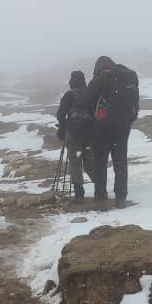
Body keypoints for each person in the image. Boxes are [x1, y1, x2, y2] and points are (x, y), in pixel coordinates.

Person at [87, 56, 139, 209]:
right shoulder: (128, 76)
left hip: (103, 127)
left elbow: (87, 100)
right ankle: (121, 198)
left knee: (100, 162)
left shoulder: (99, 78)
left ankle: (101, 199)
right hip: (123, 126)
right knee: (120, 162)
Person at [55, 71, 96, 204]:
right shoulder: (91, 94)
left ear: (72, 81)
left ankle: (79, 194)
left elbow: (60, 114)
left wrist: (62, 128)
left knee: (75, 163)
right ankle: (100, 189)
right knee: (90, 162)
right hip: (89, 134)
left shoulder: (69, 95)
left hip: (73, 134)